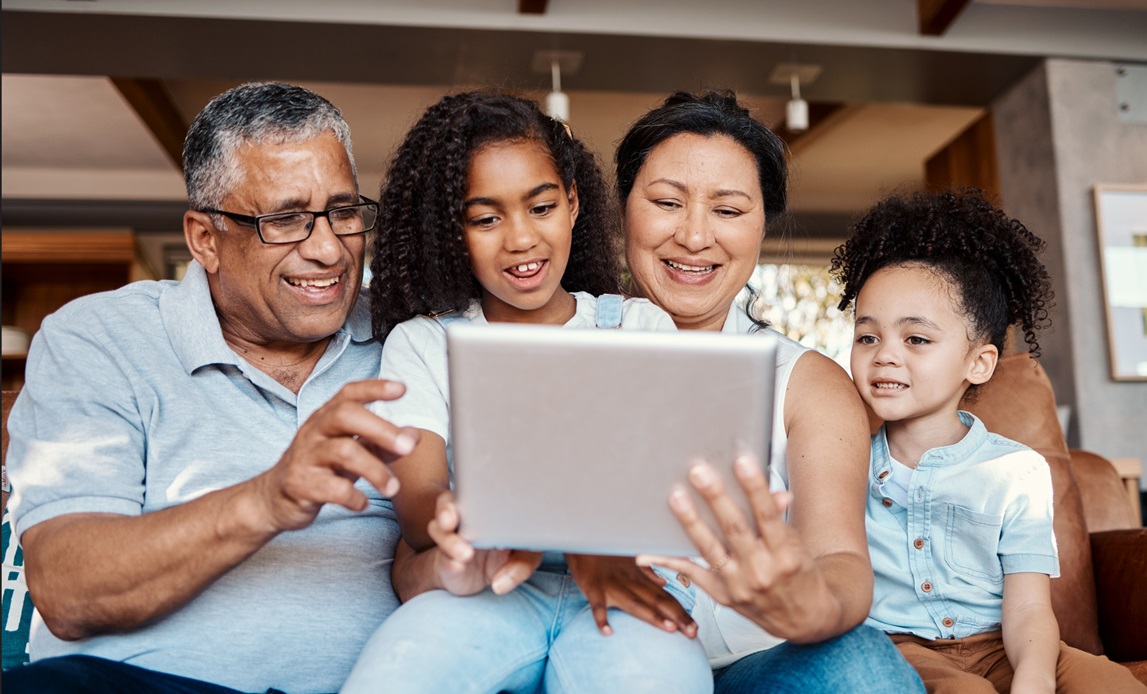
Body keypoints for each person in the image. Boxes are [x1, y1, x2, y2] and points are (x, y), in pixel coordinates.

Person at [4, 82, 421, 694]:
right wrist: (267, 499)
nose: (329, 249)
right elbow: (68, 590)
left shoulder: (412, 341)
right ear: (205, 239)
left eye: (343, 212)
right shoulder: (99, 338)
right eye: (285, 220)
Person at [340, 90, 712, 694]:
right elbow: (419, 506)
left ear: (572, 202)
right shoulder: (426, 344)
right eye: (486, 219)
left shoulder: (640, 328)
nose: (520, 239)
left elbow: (665, 491)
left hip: (625, 588)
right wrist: (485, 526)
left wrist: (530, 514)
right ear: (453, 230)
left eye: (541, 207)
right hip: (489, 586)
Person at [615, 91, 925, 692]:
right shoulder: (566, 344)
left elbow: (839, 560)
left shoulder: (806, 383)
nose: (694, 236)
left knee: (859, 664)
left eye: (728, 210)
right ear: (624, 208)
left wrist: (807, 604)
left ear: (762, 225)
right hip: (604, 653)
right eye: (667, 202)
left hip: (755, 669)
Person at [830, 189, 1146, 693]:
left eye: (916, 339)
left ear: (979, 363)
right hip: (899, 648)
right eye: (868, 337)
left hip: (1003, 643)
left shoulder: (1017, 471)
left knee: (1112, 685)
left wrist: (1035, 679)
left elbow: (1029, 607)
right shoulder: (841, 463)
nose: (884, 355)